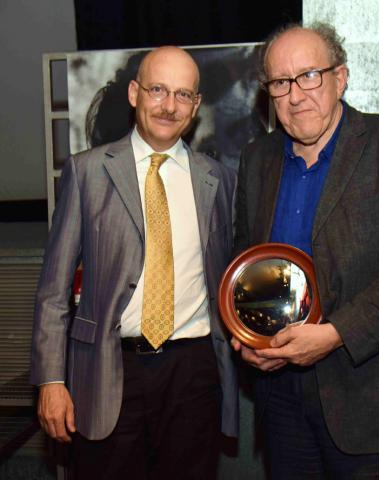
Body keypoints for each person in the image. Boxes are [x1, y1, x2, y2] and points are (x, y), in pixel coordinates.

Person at [232, 22, 379, 479]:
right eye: (280, 82)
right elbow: (244, 264)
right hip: (281, 397)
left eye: (309, 75)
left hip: (368, 396)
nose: (295, 95)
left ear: (340, 77)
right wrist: (247, 336)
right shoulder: (257, 159)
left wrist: (335, 335)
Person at [31, 46, 238, 480]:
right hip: (109, 370)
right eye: (158, 90)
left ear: (196, 105)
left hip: (193, 372)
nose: (168, 105)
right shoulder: (86, 173)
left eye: (183, 95)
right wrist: (51, 382)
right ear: (133, 93)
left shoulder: (217, 179)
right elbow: (53, 291)